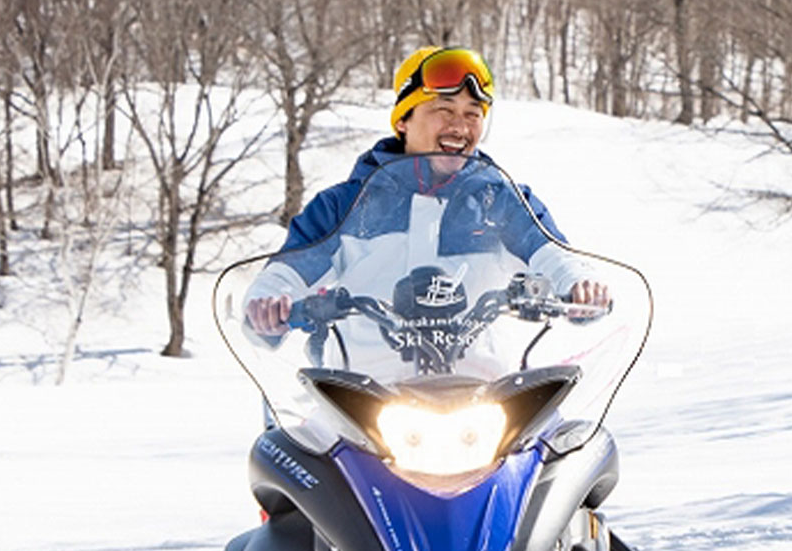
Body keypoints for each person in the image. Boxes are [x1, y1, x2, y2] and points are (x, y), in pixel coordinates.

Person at [245, 45, 605, 337]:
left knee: (575, 428)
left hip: (486, 396)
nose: (460, 127)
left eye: (472, 114)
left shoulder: (500, 201)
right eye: (443, 110)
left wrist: (578, 284)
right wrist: (269, 301)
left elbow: (552, 254)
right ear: (403, 120)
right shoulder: (344, 206)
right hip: (360, 398)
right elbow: (287, 272)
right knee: (287, 431)